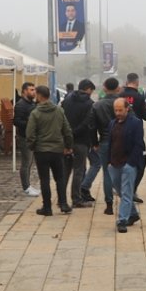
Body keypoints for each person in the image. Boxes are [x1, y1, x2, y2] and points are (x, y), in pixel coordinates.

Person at [26, 85, 74, 216]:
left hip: (41, 151)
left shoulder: (35, 113)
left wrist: (33, 146)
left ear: (40, 96)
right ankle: (63, 204)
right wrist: (68, 146)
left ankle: (47, 207)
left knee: (45, 179)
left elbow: (30, 134)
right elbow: (67, 130)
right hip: (57, 150)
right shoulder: (59, 111)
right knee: (60, 177)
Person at [106, 98, 143, 232]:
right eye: (116, 110)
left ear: (127, 108)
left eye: (120, 110)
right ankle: (133, 214)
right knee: (120, 190)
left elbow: (139, 144)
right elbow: (110, 143)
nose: (118, 113)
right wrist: (109, 161)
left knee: (127, 191)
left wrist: (131, 163)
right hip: (114, 163)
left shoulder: (136, 123)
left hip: (129, 163)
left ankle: (122, 220)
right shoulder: (112, 123)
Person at [88, 77, 122, 214]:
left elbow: (91, 127)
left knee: (107, 173)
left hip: (105, 140)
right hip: (121, 141)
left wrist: (94, 143)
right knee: (123, 172)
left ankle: (109, 204)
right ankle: (127, 202)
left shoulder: (97, 105)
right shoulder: (122, 104)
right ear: (118, 88)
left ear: (104, 88)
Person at [62, 79, 97, 208]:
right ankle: (76, 199)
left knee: (65, 170)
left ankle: (61, 198)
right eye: (91, 91)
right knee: (79, 170)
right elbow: (88, 123)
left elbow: (62, 118)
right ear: (88, 89)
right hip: (81, 141)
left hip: (66, 140)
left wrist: (68, 135)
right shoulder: (89, 104)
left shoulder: (66, 100)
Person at [119, 73, 146, 203]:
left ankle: (125, 189)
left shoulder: (119, 96)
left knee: (121, 163)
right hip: (135, 135)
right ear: (137, 83)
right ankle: (130, 190)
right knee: (140, 164)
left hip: (119, 132)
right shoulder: (139, 97)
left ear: (127, 82)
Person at [12, 83, 37, 197]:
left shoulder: (32, 103)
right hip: (24, 137)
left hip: (32, 136)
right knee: (26, 162)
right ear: (24, 91)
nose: (34, 92)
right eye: (31, 90)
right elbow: (16, 121)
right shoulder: (20, 105)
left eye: (34, 90)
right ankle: (26, 187)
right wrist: (30, 124)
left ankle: (29, 185)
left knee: (30, 162)